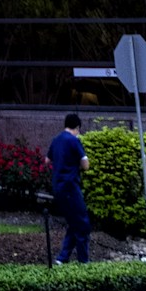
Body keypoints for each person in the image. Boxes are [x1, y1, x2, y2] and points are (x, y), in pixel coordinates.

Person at [48, 111, 91, 264]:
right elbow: (85, 165)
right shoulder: (74, 141)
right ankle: (83, 261)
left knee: (73, 223)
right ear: (77, 127)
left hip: (58, 187)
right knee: (82, 222)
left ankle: (62, 258)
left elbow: (47, 160)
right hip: (71, 186)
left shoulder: (56, 140)